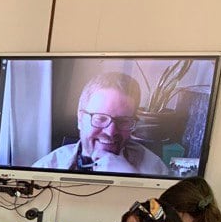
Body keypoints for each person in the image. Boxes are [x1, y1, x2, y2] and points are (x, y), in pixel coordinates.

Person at [32, 72, 171, 176]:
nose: (111, 132)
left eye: (123, 121)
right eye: (100, 118)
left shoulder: (154, 168)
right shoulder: (48, 167)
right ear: (80, 118)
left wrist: (133, 179)